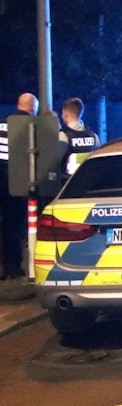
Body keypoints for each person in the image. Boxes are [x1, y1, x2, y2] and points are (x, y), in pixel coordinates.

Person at [0, 93, 39, 280]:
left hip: (1, 181)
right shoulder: (31, 126)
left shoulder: (2, 122)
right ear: (32, 108)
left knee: (4, 227)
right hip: (17, 184)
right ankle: (14, 268)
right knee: (15, 227)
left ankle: (4, 268)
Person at [58, 97, 101, 180]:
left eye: (62, 113)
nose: (62, 116)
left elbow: (55, 164)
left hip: (68, 183)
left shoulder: (63, 136)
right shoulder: (94, 136)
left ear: (66, 114)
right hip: (89, 181)